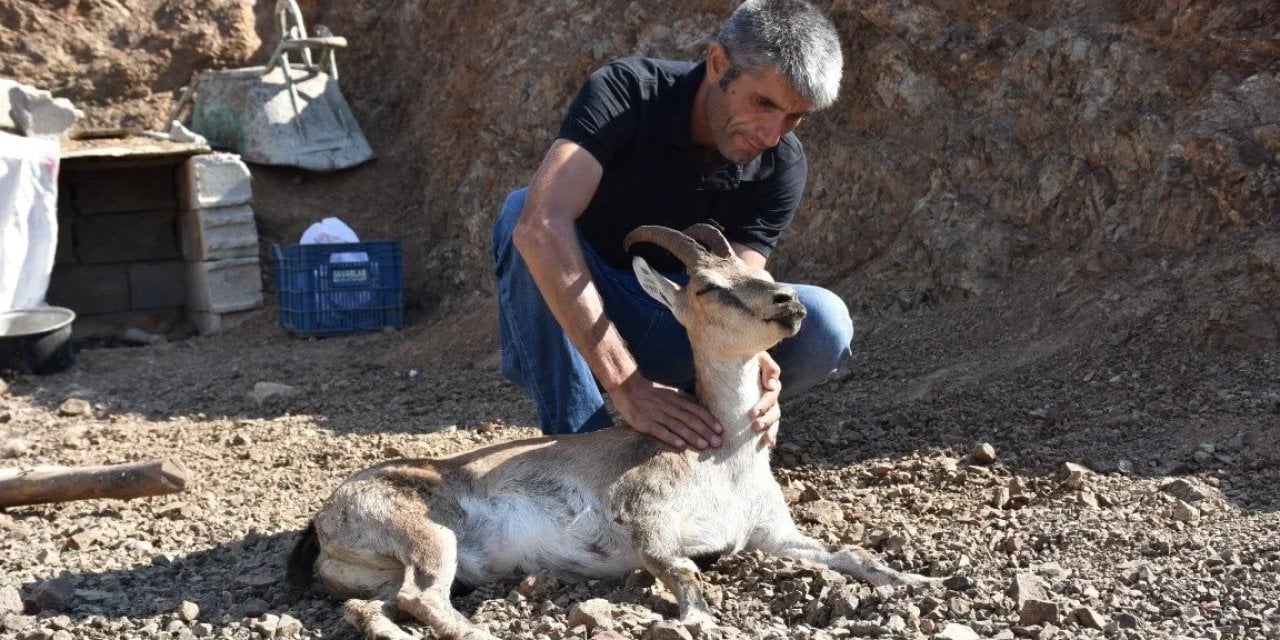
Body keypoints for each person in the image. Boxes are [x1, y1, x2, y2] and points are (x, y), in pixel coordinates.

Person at [491, 0, 851, 451]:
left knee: (824, 323)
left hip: (684, 323)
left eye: (794, 117)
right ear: (719, 63)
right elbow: (539, 226)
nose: (770, 135)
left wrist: (758, 363)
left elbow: (739, 286)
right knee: (523, 211)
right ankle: (582, 442)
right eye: (763, 103)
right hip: (579, 319)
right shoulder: (626, 92)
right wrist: (629, 387)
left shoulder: (781, 163)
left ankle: (698, 426)